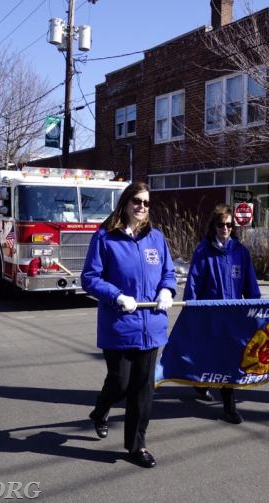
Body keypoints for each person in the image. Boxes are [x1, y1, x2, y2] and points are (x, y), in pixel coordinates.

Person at [81, 182, 177, 468]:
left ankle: (137, 445)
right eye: (137, 201)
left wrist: (167, 291)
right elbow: (90, 277)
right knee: (120, 382)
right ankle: (100, 411)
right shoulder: (105, 238)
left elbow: (168, 273)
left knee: (143, 390)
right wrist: (117, 296)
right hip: (120, 325)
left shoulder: (156, 238)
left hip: (152, 328)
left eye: (146, 203)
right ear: (125, 203)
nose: (142, 207)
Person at [184, 204, 261, 424]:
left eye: (229, 225)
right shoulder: (203, 251)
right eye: (221, 224)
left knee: (230, 360)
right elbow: (194, 283)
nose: (225, 228)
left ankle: (229, 406)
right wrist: (193, 310)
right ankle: (200, 383)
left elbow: (251, 285)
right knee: (208, 354)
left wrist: (255, 308)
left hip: (234, 317)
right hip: (211, 315)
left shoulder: (241, 252)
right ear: (214, 226)